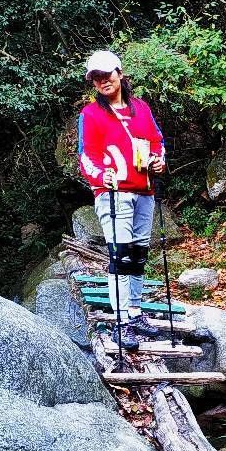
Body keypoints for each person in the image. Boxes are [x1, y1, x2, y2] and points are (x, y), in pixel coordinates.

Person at [76, 50, 167, 349]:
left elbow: (157, 141)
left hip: (144, 191)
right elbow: (86, 156)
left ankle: (136, 313)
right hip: (113, 194)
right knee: (121, 255)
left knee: (139, 254)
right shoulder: (90, 115)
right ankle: (122, 321)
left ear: (120, 73)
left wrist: (158, 161)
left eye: (107, 75)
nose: (104, 81)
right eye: (97, 78)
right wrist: (102, 176)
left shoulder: (141, 108)